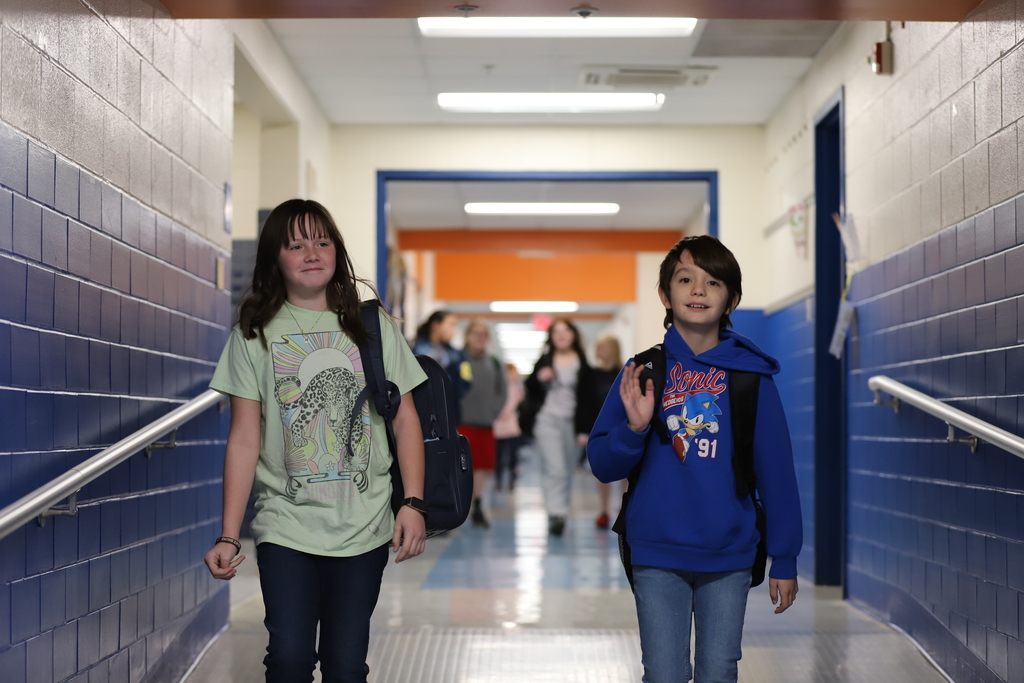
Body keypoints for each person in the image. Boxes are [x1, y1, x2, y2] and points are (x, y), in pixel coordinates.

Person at [203, 199, 428, 683]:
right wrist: (227, 532)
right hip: (286, 525)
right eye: (296, 244)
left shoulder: (374, 328)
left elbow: (405, 420)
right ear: (274, 259)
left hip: (363, 525)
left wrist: (412, 502)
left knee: (346, 667)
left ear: (337, 252)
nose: (312, 253)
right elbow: (244, 438)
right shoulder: (253, 334)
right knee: (288, 659)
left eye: (322, 242)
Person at [588, 235, 802, 683]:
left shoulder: (751, 380)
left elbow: (777, 473)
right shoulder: (643, 373)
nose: (698, 290)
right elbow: (603, 464)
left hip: (729, 552)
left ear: (732, 299)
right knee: (664, 673)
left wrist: (784, 557)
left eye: (713, 282)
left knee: (718, 671)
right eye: (685, 279)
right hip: (656, 550)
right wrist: (635, 429)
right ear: (666, 295)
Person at [524, 318, 601, 536]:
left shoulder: (583, 363)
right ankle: (555, 512)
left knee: (566, 470)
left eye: (565, 330)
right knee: (555, 467)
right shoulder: (546, 360)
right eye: (556, 331)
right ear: (551, 337)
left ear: (573, 335)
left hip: (573, 424)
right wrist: (540, 377)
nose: (561, 335)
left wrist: (586, 430)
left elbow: (589, 400)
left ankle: (561, 512)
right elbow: (530, 387)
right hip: (547, 419)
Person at [458, 319, 507, 527]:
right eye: (475, 333)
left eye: (483, 334)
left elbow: (502, 391)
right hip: (461, 422)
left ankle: (477, 504)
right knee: (462, 466)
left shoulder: (494, 363)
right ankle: (459, 506)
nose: (479, 338)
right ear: (467, 336)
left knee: (481, 467)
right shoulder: (458, 360)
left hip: (485, 423)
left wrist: (493, 412)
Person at [589, 334, 623, 529]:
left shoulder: (624, 372)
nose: (599, 352)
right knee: (602, 470)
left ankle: (622, 507)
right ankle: (603, 509)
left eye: (603, 347)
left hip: (622, 427)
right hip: (600, 428)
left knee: (625, 472)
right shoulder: (593, 375)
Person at [413, 309, 470, 423]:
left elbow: (466, 381)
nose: (454, 330)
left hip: (448, 416)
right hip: (417, 414)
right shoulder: (412, 349)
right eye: (451, 325)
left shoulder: (459, 356)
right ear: (436, 325)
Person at [493, 363, 525, 491]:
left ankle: (512, 479)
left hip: (511, 428)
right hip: (499, 429)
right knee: (499, 457)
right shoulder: (499, 388)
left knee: (512, 456)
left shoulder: (516, 389)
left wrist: (503, 414)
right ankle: (499, 480)